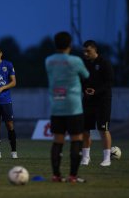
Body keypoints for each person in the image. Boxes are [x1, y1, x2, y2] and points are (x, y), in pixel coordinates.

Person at [45, 31, 89, 183]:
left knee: (58, 140)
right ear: (70, 44)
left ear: (55, 44)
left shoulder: (48, 61)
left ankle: (56, 175)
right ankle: (73, 176)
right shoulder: (75, 61)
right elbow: (86, 75)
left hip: (56, 106)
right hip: (73, 107)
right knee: (76, 139)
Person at [80, 40, 114, 167]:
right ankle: (86, 157)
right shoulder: (83, 64)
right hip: (88, 100)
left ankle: (106, 158)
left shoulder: (104, 63)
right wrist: (85, 90)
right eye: (84, 51)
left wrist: (96, 91)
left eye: (88, 51)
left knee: (103, 129)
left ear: (95, 50)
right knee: (85, 129)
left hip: (103, 100)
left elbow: (110, 82)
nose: (86, 53)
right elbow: (81, 80)